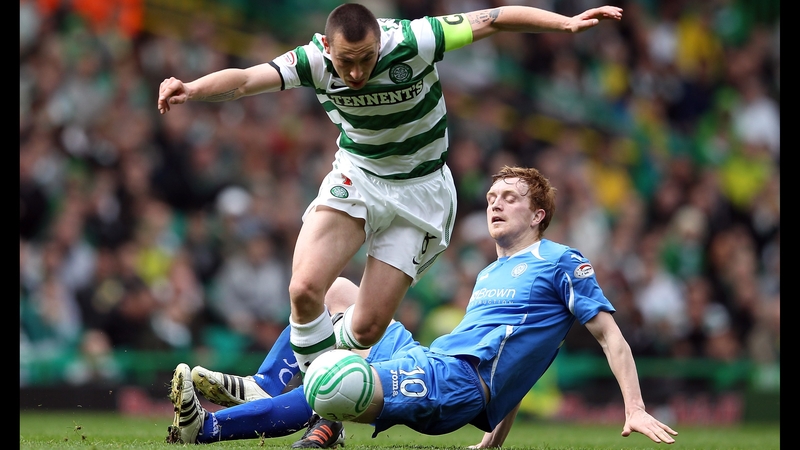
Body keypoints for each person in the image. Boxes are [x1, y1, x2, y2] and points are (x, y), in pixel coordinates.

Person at [156, 3, 625, 375]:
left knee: (365, 326)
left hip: (421, 191)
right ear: (328, 49)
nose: (356, 74)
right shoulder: (314, 59)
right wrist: (192, 88)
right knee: (302, 289)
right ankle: (320, 412)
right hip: (359, 176)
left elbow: (497, 19)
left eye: (366, 60)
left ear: (381, 41)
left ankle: (298, 392)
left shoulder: (415, 39)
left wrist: (564, 24)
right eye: (346, 63)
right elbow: (243, 81)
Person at [166, 166, 678, 447]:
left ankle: (208, 430)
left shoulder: (562, 261)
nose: (495, 203)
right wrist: (494, 444)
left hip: (455, 386)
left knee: (331, 382)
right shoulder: (490, 272)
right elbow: (520, 358)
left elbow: (609, 337)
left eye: (511, 198)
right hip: (432, 359)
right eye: (493, 196)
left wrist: (633, 406)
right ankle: (267, 387)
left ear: (539, 213)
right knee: (341, 293)